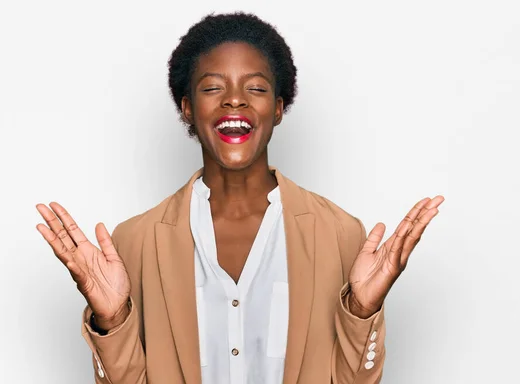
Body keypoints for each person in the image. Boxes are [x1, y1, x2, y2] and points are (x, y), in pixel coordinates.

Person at [35, 12, 444, 384]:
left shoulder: (339, 234)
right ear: (187, 108)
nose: (235, 99)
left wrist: (359, 312)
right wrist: (114, 320)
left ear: (279, 108)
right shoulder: (134, 242)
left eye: (256, 87)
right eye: (212, 87)